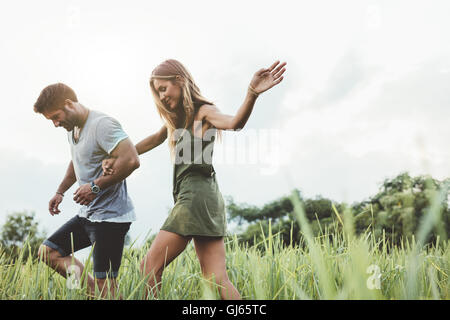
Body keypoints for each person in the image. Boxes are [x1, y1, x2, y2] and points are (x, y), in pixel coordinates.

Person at [103, 59, 286, 299]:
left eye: (163, 89)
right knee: (216, 279)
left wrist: (251, 94)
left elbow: (234, 123)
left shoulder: (204, 112)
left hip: (195, 197)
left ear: (179, 81)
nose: (162, 97)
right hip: (207, 198)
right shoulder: (178, 119)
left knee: (148, 267)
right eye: (157, 93)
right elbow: (153, 139)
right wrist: (118, 155)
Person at [33, 83, 140, 298]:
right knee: (48, 252)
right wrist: (60, 191)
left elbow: (131, 160)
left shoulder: (102, 125)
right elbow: (76, 162)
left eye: (55, 117)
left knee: (106, 284)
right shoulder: (72, 128)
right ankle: (91, 293)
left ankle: (100, 293)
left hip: (111, 218)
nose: (55, 124)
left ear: (69, 104)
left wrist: (95, 187)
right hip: (88, 215)